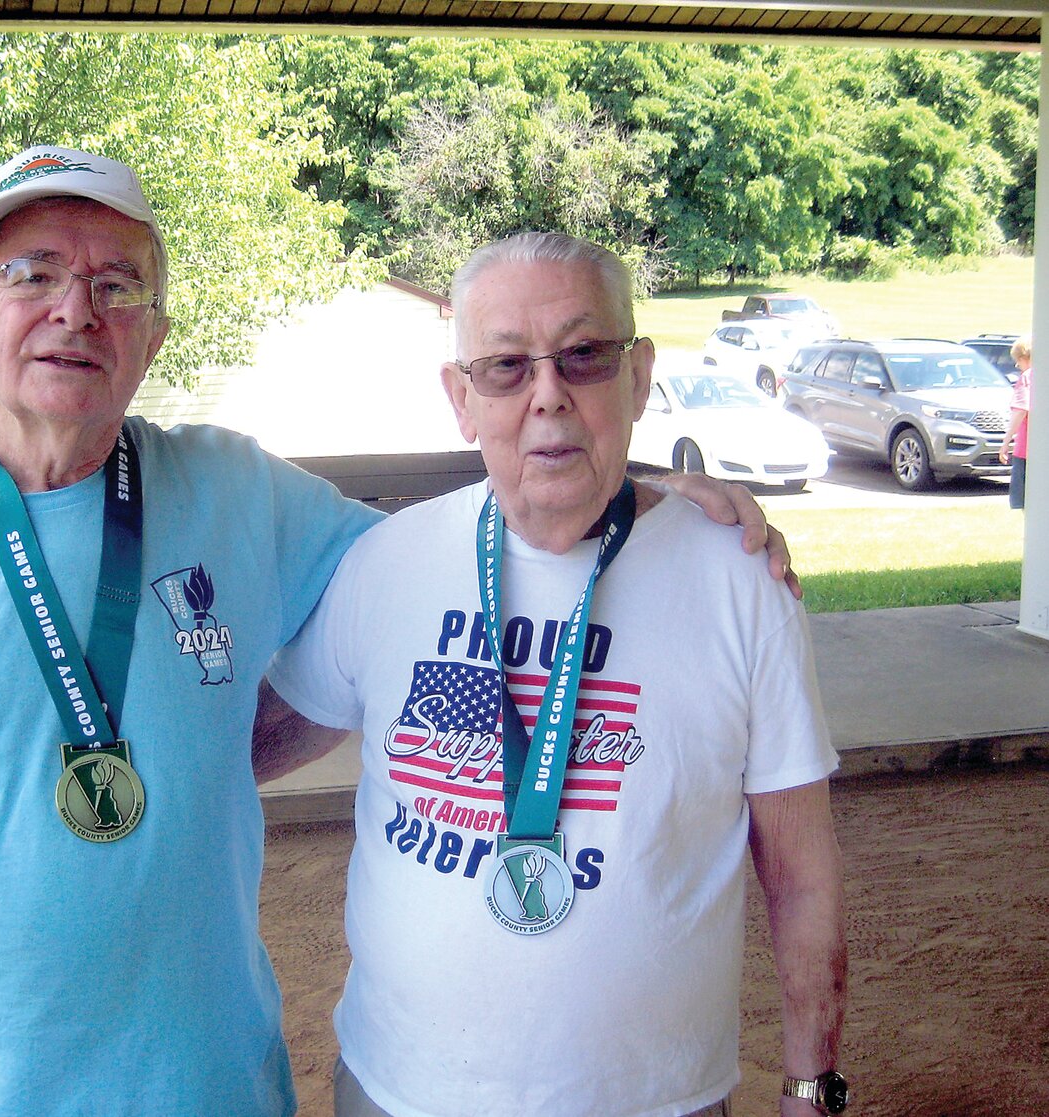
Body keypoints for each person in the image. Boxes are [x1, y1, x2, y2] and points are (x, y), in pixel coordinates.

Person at [0, 147, 793, 1117]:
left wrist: (632, 495)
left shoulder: (234, 489)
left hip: (213, 1091)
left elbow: (448, 555)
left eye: (115, 286)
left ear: (152, 331)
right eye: (34, 274)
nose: (76, 311)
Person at [265, 232, 848, 1117]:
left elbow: (802, 876)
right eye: (505, 366)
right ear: (461, 398)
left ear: (639, 377)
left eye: (583, 356)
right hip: (399, 1093)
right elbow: (253, 741)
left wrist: (812, 1086)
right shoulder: (385, 565)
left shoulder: (741, 583)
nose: (548, 395)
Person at [999, 336, 1032, 509]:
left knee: (1025, 502)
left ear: (1023, 358)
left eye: (1017, 363)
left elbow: (1021, 410)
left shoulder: (1027, 377)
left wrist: (1006, 442)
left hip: (1026, 450)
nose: (1018, 367)